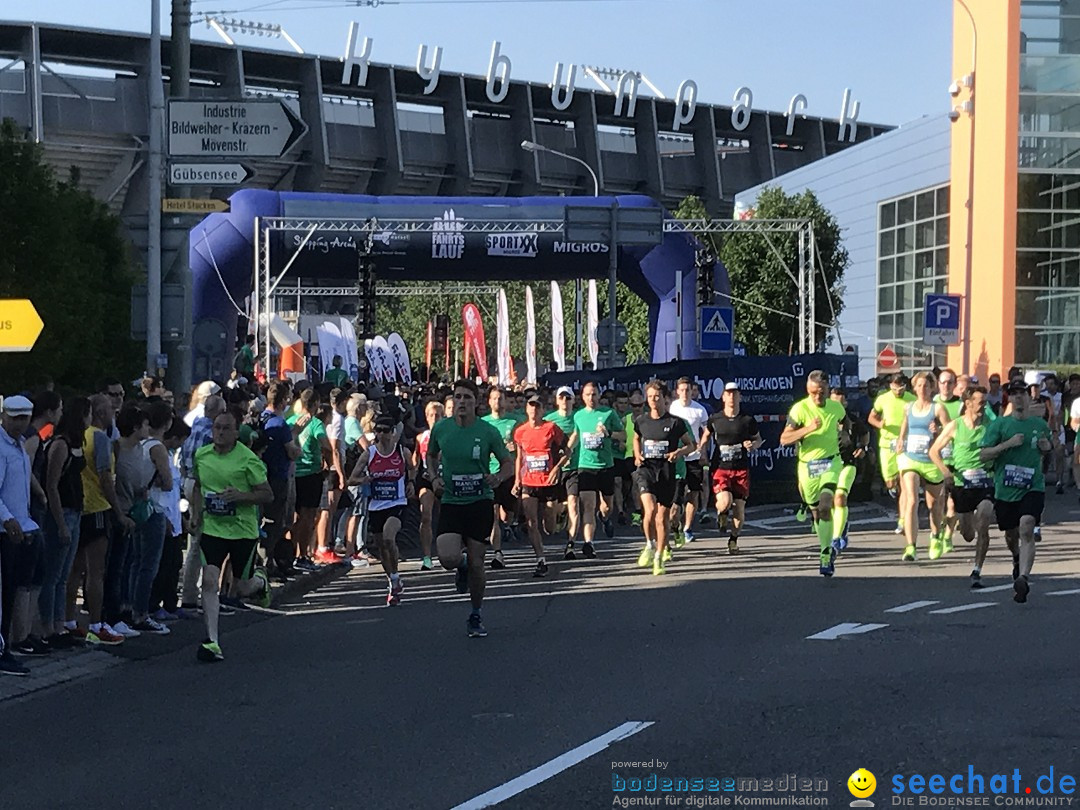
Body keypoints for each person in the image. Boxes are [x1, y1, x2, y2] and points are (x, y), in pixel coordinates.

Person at [426, 379, 512, 638]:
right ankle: (459, 563)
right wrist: (433, 478)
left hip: (480, 502)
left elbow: (507, 463)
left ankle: (476, 613)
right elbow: (430, 455)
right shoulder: (441, 429)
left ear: (477, 403)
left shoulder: (487, 432)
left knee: (478, 564)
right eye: (458, 397)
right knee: (447, 558)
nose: (461, 402)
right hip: (452, 501)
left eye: (467, 398)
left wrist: (498, 478)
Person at [190, 409, 273, 661]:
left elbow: (267, 494)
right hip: (213, 528)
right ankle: (212, 640)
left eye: (226, 428)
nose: (220, 432)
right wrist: (196, 515)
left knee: (242, 587)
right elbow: (196, 485)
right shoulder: (202, 455)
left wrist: (240, 496)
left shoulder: (248, 460)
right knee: (209, 582)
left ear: (236, 433)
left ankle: (260, 581)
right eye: (217, 427)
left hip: (242, 531)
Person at [980, 382, 1052, 604]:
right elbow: (983, 455)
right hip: (1006, 489)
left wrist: (1046, 446)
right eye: (1014, 395)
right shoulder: (999, 425)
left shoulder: (1039, 424)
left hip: (1032, 486)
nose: (1019, 398)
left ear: (1029, 398)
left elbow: (1051, 449)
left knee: (1027, 525)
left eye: (1022, 394)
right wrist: (1006, 445)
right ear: (1009, 399)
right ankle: (1016, 556)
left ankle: (1023, 577)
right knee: (1011, 535)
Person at [780, 371, 849, 577]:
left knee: (827, 504)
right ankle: (825, 544)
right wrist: (808, 429)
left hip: (831, 462)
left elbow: (846, 424)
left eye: (821, 393)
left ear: (828, 389)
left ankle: (825, 553)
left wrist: (845, 435)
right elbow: (784, 438)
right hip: (808, 465)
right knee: (817, 512)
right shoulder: (800, 409)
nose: (817, 397)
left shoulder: (836, 407)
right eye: (813, 393)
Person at [929, 386, 996, 588]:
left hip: (986, 481)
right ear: (968, 403)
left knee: (983, 520)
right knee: (968, 534)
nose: (984, 406)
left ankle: (977, 570)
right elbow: (934, 451)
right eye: (980, 402)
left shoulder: (992, 425)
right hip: (962, 484)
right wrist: (946, 472)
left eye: (985, 402)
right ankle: (961, 527)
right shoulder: (955, 426)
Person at [37, 397, 90, 649]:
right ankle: (48, 627)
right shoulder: (60, 444)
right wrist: (59, 523)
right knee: (53, 574)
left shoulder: (76, 444)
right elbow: (51, 484)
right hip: (62, 512)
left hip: (76, 511)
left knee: (64, 574)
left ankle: (60, 625)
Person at [632, 381, 696, 576]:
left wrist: (679, 452)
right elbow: (636, 437)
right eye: (650, 396)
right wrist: (637, 454)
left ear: (665, 399)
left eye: (657, 397)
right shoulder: (641, 421)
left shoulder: (675, 422)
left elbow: (691, 445)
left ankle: (659, 556)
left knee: (662, 518)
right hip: (647, 469)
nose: (653, 400)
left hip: (667, 471)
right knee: (649, 511)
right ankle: (649, 545)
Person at [349, 415, 413, 605]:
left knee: (388, 537)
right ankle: (393, 581)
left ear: (393, 432)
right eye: (379, 431)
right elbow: (352, 479)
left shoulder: (402, 451)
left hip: (397, 503)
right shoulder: (369, 453)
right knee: (382, 547)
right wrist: (364, 480)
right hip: (376, 505)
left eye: (386, 430)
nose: (382, 434)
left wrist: (411, 482)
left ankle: (394, 580)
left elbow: (412, 469)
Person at [0, 395, 43, 672]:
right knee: (3, 594)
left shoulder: (18, 446)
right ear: (3, 416)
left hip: (19, 527)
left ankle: (7, 645)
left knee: (13, 590)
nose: (19, 423)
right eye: (14, 417)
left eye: (24, 417)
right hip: (5, 529)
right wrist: (8, 519)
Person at [699, 383, 761, 555]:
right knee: (725, 501)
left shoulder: (747, 419)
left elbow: (758, 439)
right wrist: (702, 451)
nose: (732, 397)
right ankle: (722, 513)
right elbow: (705, 436)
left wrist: (752, 445)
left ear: (739, 396)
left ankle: (733, 540)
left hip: (741, 469)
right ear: (723, 397)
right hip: (721, 468)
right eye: (728, 394)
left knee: (739, 509)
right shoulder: (715, 419)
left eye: (735, 394)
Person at [566, 382, 625, 559]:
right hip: (586, 466)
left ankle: (605, 518)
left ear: (599, 396)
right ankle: (588, 543)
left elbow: (623, 435)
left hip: (605, 466)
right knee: (588, 506)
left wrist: (608, 434)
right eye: (587, 395)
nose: (591, 398)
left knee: (607, 506)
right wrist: (567, 451)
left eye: (594, 394)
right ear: (582, 397)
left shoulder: (608, 413)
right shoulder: (578, 416)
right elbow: (576, 435)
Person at [513, 394, 569, 578]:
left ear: (543, 410)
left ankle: (560, 513)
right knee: (531, 523)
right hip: (529, 481)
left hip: (548, 481)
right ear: (526, 409)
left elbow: (567, 451)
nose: (534, 410)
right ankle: (541, 560)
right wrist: (517, 481)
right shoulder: (520, 431)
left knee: (549, 527)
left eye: (537, 407)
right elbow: (519, 458)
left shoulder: (551, 428)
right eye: (531, 406)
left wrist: (556, 469)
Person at [895, 372, 949, 562]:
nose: (922, 389)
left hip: (931, 461)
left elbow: (950, 431)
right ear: (914, 388)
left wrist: (939, 431)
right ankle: (911, 547)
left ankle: (935, 537)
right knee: (910, 500)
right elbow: (905, 423)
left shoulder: (938, 409)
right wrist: (901, 439)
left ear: (932, 388)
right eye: (919, 386)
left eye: (926, 386)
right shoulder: (908, 407)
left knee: (934, 505)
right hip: (911, 459)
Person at [179, 394, 225, 613]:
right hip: (201, 487)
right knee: (200, 543)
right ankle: (191, 596)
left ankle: (194, 592)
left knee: (195, 541)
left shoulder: (195, 427)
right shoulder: (210, 435)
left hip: (188, 481)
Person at [867, 373, 915, 534]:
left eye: (901, 388)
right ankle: (892, 488)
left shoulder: (911, 399)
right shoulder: (882, 399)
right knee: (890, 482)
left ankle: (902, 520)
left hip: (906, 444)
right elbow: (871, 418)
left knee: (904, 482)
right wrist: (880, 424)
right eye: (895, 388)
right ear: (890, 387)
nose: (898, 392)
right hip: (887, 444)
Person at [482, 388, 523, 569]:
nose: (497, 401)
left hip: (509, 473)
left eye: (500, 398)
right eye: (494, 398)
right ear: (489, 402)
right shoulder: (483, 424)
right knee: (492, 516)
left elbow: (523, 448)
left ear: (506, 402)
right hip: (490, 474)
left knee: (506, 515)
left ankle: (509, 525)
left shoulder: (515, 422)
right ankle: (497, 553)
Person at [292, 389, 331, 571]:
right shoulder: (316, 424)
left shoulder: (291, 421)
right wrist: (328, 464)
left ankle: (289, 554)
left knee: (293, 516)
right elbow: (326, 445)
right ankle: (302, 555)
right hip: (310, 473)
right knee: (308, 517)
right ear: (315, 404)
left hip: (293, 474)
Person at [668, 377, 710, 543]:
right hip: (676, 457)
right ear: (677, 392)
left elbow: (707, 431)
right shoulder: (672, 408)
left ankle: (687, 528)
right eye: (682, 390)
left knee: (693, 493)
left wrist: (703, 449)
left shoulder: (700, 410)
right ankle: (675, 524)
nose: (685, 393)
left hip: (694, 457)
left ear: (693, 391)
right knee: (675, 496)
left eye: (688, 390)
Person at [830, 387, 870, 553]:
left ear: (845, 403)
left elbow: (865, 434)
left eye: (840, 403)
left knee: (840, 497)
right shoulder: (824, 420)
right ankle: (843, 523)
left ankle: (836, 537)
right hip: (827, 465)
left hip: (848, 463)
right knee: (828, 503)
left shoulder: (852, 420)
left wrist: (862, 447)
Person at [545, 386, 579, 546]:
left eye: (568, 398)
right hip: (554, 469)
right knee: (551, 522)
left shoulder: (578, 418)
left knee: (573, 503)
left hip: (574, 467)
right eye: (562, 398)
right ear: (556, 400)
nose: (565, 401)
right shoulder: (549, 420)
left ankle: (571, 543)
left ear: (573, 400)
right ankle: (561, 512)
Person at [412, 399, 443, 571]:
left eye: (437, 415)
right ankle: (426, 557)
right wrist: (410, 478)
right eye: (431, 415)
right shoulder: (421, 437)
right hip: (426, 478)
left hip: (445, 478)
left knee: (448, 516)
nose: (434, 418)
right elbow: (415, 460)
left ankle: (451, 550)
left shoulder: (449, 435)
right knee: (426, 516)